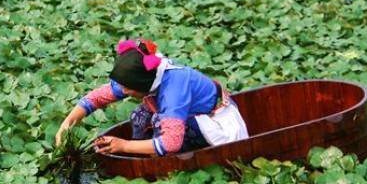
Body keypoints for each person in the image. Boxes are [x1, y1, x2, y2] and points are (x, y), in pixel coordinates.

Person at [55, 38, 249, 156]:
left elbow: (172, 142)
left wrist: (124, 145)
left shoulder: (173, 89)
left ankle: (180, 160)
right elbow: (97, 98)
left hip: (216, 122)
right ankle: (147, 155)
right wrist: (67, 123)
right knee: (139, 116)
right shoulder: (147, 74)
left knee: (158, 121)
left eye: (128, 88)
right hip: (189, 112)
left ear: (143, 86)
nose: (123, 91)